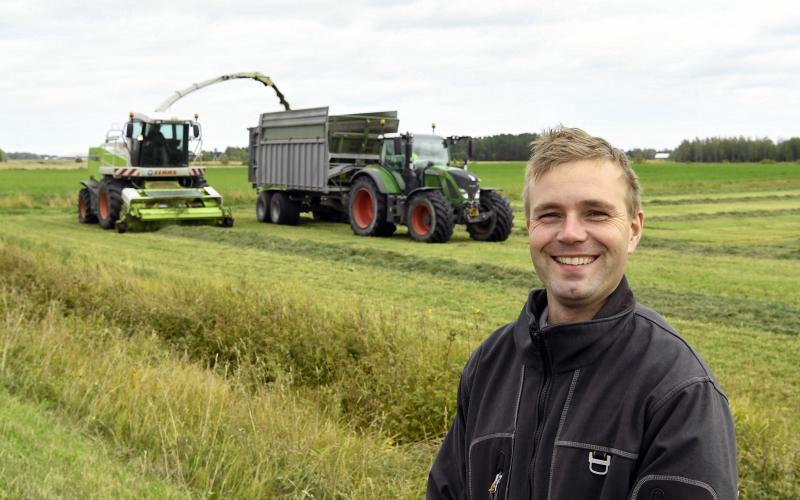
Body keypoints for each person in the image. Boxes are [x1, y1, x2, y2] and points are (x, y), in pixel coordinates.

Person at [427, 127, 737, 499]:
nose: (571, 233)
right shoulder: (491, 364)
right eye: (551, 215)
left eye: (595, 213)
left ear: (634, 230)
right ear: (530, 227)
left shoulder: (678, 390)